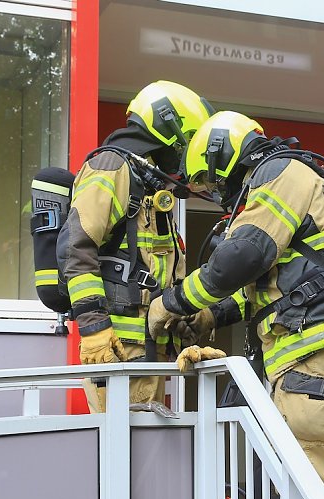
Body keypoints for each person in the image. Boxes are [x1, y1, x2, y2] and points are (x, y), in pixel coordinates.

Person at [147, 110, 324, 499]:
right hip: (303, 345)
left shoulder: (283, 172)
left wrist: (172, 303)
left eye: (216, 182)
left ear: (224, 154)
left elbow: (243, 256)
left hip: (312, 346)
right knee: (285, 476)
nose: (221, 194)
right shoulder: (286, 177)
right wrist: (210, 317)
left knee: (311, 477)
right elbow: (271, 289)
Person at [58, 80, 214, 413]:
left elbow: (154, 270)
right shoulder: (111, 167)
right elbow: (76, 246)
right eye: (188, 142)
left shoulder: (144, 182)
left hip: (146, 349)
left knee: (143, 456)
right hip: (118, 349)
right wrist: (94, 327)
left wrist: (189, 319)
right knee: (127, 455)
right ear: (171, 129)